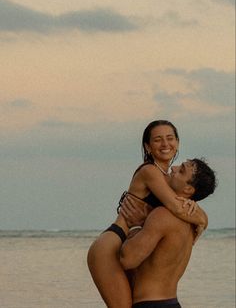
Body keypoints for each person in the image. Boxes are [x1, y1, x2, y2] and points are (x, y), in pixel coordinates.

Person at [87, 120, 208, 308]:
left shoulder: (171, 178)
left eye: (170, 138)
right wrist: (201, 220)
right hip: (112, 243)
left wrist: (200, 214)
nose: (165, 144)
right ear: (148, 146)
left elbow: (179, 203)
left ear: (177, 143)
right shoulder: (149, 171)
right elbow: (176, 207)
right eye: (158, 140)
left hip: (131, 242)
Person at [120, 158, 217, 308]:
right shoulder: (193, 225)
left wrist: (134, 226)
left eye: (181, 170)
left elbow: (127, 259)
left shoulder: (162, 215)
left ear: (188, 190)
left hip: (150, 304)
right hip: (172, 302)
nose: (174, 168)